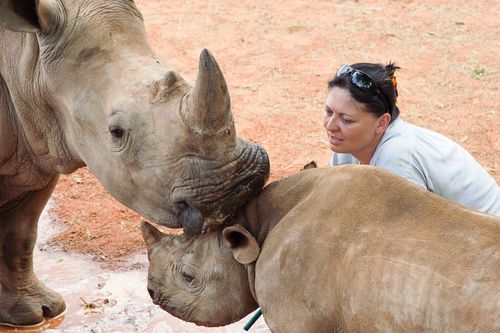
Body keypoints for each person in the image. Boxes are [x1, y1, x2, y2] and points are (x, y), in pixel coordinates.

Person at [324, 62, 500, 216]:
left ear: (381, 123)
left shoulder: (397, 157)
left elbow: (406, 237)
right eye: (329, 112)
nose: (330, 126)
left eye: (346, 120)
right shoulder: (347, 149)